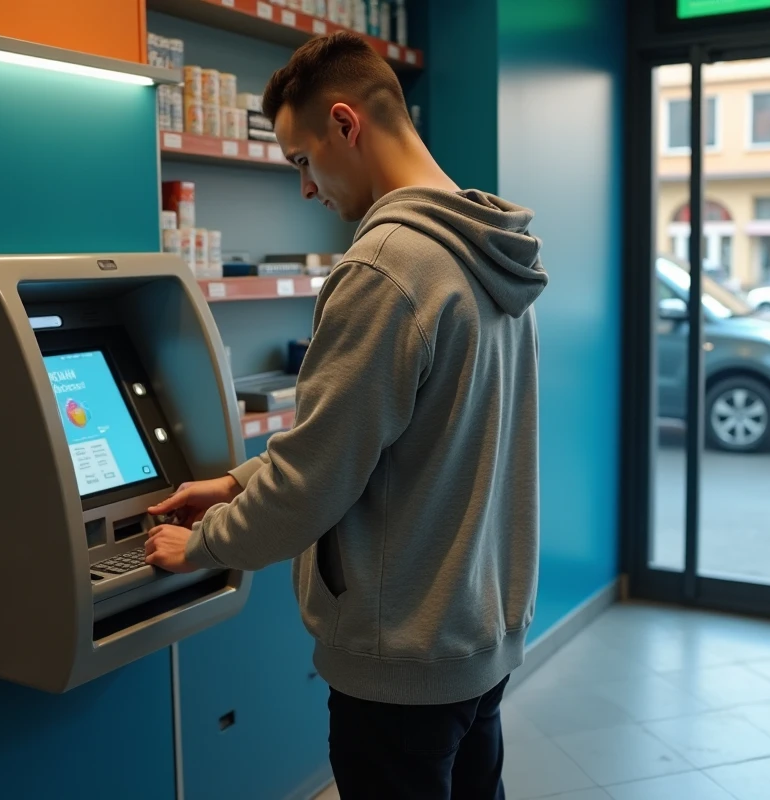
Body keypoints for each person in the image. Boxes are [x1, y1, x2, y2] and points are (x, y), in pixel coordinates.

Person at [145, 31, 547, 800]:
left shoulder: (386, 267)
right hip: (476, 639)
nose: (305, 187)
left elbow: (312, 482)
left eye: (301, 160)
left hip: (400, 667)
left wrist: (201, 544)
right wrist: (234, 481)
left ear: (345, 124)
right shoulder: (493, 252)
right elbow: (400, 437)